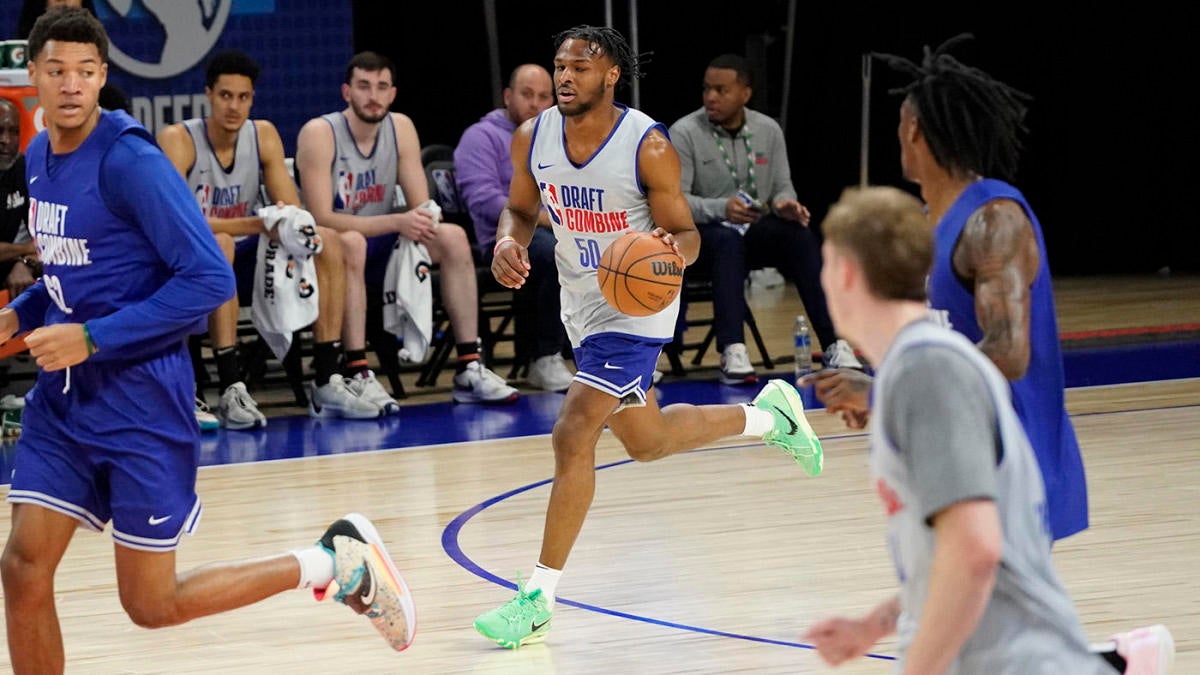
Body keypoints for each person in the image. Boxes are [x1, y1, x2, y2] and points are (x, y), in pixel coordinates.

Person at [0, 9, 415, 672]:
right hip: (67, 400)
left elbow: (207, 278)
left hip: (140, 400)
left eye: (85, 72)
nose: (71, 84)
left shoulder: (130, 159)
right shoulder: (40, 155)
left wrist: (92, 336)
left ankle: (332, 563)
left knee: (151, 603)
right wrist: (21, 314)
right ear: (34, 76)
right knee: (21, 569)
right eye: (56, 71)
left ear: (104, 77)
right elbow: (72, 263)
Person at [474, 25, 824, 650]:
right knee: (647, 441)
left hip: (637, 309)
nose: (565, 77)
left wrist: (669, 251)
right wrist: (509, 241)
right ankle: (771, 418)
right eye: (560, 66)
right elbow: (522, 210)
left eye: (580, 67)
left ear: (610, 75)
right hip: (581, 301)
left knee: (573, 430)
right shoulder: (534, 136)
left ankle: (536, 596)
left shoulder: (648, 144)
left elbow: (688, 237)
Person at [800, 185, 1174, 675]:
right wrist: (872, 626)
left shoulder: (927, 369)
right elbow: (957, 554)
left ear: (845, 274)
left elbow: (977, 552)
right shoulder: (919, 364)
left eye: (824, 265)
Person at [805, 35, 1089, 541]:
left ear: (913, 130)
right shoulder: (928, 223)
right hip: (955, 459)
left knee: (971, 616)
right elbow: (937, 342)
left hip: (1008, 462)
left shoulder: (993, 220)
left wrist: (886, 391)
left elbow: (1007, 354)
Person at [158, 49, 381, 428]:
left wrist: (283, 223)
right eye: (225, 96)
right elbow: (179, 222)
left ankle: (327, 377)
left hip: (247, 260)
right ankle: (230, 384)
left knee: (327, 239)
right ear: (208, 95)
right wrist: (256, 224)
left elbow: (290, 212)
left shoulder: (262, 135)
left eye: (243, 97)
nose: (234, 106)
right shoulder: (178, 139)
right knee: (220, 245)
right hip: (185, 265)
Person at [296, 51, 519, 406]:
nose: (373, 96)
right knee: (351, 241)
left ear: (393, 94)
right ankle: (357, 371)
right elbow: (321, 217)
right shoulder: (320, 133)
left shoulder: (400, 127)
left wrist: (418, 219)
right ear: (346, 92)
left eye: (382, 87)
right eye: (364, 86)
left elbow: (421, 207)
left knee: (452, 237)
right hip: (332, 252)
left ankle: (469, 365)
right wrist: (398, 221)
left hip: (384, 243)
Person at [668, 54, 862, 385]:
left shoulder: (768, 130)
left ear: (745, 93)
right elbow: (677, 201)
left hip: (754, 230)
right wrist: (721, 209)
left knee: (799, 234)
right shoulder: (684, 132)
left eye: (721, 90)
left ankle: (835, 342)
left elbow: (782, 186)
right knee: (727, 240)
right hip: (706, 237)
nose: (711, 97)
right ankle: (732, 348)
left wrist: (787, 204)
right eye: (706, 89)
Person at [454, 63, 575, 392]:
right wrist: (548, 218)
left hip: (558, 229)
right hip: (499, 239)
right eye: (526, 95)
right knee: (555, 254)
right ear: (508, 96)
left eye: (543, 96)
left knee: (608, 250)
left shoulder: (560, 136)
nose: (535, 104)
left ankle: (608, 357)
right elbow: (484, 201)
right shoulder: (480, 137)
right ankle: (545, 358)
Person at [0, 98, 39, 302]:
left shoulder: (25, 169)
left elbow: (51, 243)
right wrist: (27, 249)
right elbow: (37, 245)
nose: (6, 140)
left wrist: (25, 262)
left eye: (14, 132)